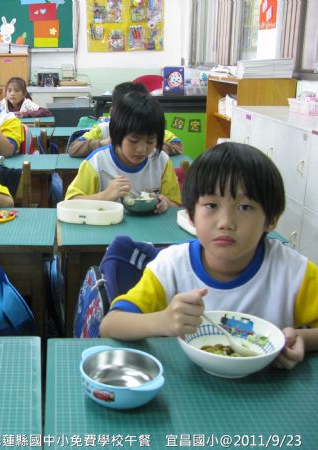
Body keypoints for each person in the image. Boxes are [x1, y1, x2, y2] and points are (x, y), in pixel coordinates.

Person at [99, 142, 318, 370]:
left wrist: (302, 338)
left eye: (244, 207)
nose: (225, 223)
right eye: (211, 205)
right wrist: (162, 321)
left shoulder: (294, 272)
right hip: (187, 386)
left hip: (269, 388)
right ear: (191, 215)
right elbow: (110, 325)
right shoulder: (172, 266)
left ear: (271, 220)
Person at [64, 91, 181, 213]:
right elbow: (69, 203)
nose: (141, 149)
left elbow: (176, 204)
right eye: (133, 141)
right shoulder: (97, 163)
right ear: (117, 134)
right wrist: (105, 196)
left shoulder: (162, 161)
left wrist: (167, 203)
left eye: (150, 142)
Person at [68, 82, 183, 157]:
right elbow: (74, 148)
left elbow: (177, 145)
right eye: (133, 140)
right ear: (113, 113)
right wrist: (103, 143)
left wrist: (152, 146)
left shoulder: (149, 129)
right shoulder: (103, 130)